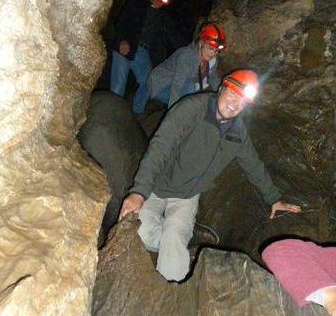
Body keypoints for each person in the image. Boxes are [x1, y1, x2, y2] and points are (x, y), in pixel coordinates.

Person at [119, 69, 302, 282]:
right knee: (139, 233)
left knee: (174, 238)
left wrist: (274, 198)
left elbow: (253, 164)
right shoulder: (191, 109)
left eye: (242, 100)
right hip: (156, 187)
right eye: (233, 93)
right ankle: (185, 239)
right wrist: (139, 193)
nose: (235, 102)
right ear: (222, 87)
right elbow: (159, 147)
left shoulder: (237, 134)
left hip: (186, 196)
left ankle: (175, 276)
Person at [110, 0, 180, 114]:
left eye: (164, 0)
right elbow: (121, 22)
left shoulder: (162, 18)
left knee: (148, 83)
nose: (160, 2)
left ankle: (135, 113)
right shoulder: (137, 4)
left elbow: (174, 37)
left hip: (142, 52)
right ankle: (111, 118)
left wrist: (194, 48)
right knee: (118, 87)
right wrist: (122, 40)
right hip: (125, 47)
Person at [148, 22, 226, 108]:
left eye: (216, 51)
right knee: (190, 90)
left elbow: (214, 80)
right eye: (210, 48)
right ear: (201, 43)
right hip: (159, 85)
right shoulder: (187, 56)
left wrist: (222, 97)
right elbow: (177, 87)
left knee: (195, 93)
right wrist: (172, 112)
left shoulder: (213, 61)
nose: (213, 54)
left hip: (177, 85)